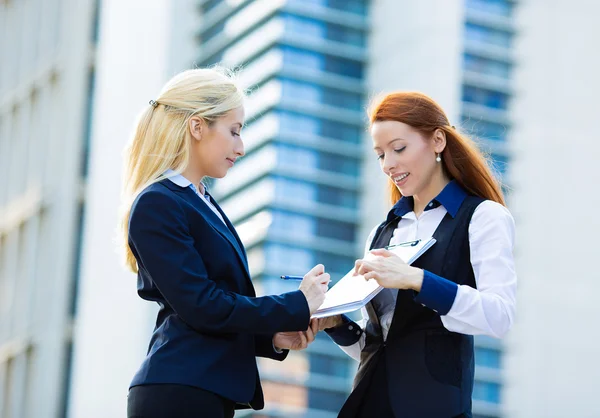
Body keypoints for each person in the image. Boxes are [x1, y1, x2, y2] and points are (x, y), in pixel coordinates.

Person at [120, 67, 329, 418]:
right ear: (198, 126)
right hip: (179, 390)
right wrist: (296, 304)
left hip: (202, 389)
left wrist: (272, 337)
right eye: (234, 131)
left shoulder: (200, 201)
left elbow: (212, 308)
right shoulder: (159, 202)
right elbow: (201, 305)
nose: (241, 147)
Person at [315, 91, 517, 418]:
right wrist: (336, 323)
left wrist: (417, 280)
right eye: (380, 154)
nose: (388, 164)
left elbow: (500, 316)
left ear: (437, 141)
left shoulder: (482, 217)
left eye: (399, 148)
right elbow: (380, 346)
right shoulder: (383, 232)